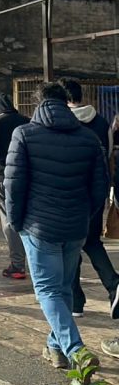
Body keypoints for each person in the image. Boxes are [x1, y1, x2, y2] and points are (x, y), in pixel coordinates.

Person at [5, 82, 108, 374]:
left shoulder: (24, 134)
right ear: (66, 103)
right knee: (62, 288)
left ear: (37, 103)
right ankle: (55, 347)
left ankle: (76, 350)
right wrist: (85, 217)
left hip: (39, 226)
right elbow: (100, 187)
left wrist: (16, 222)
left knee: (48, 290)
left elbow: (13, 185)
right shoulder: (88, 138)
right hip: (75, 226)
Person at [60, 79, 117, 318]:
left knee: (70, 244)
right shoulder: (102, 122)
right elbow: (109, 157)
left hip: (71, 193)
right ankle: (114, 285)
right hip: (97, 191)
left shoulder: (63, 123)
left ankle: (76, 301)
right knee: (92, 241)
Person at [0, 93, 29, 279]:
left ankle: (17, 265)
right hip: (25, 176)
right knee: (26, 218)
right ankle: (32, 259)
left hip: (2, 176)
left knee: (9, 220)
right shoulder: (26, 121)